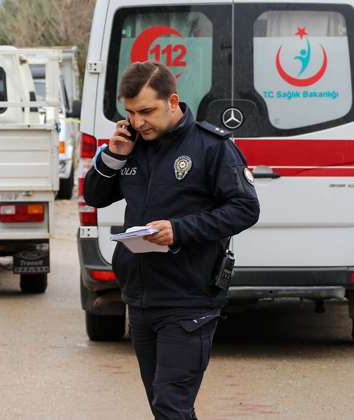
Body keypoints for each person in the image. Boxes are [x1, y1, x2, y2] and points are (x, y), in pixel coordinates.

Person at [83, 61, 260, 419]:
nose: (137, 122)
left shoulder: (212, 147)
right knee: (164, 406)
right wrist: (114, 156)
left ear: (172, 101)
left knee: (171, 406)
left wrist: (180, 230)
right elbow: (95, 196)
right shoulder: (131, 145)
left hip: (189, 300)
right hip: (141, 298)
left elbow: (245, 208)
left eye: (146, 111)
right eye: (130, 113)